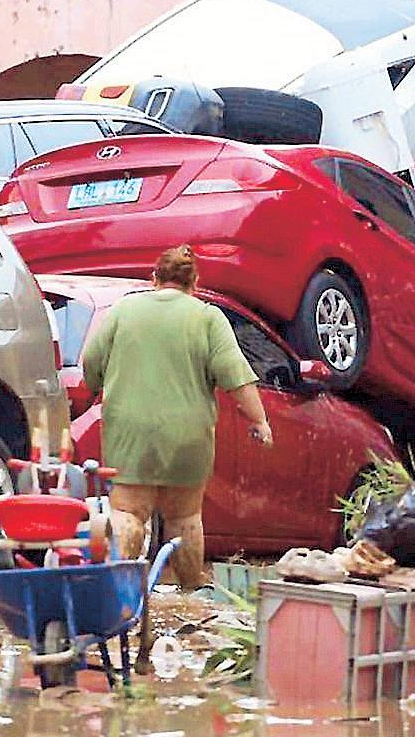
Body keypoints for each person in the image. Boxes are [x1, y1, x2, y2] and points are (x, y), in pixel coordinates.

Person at [80, 245, 272, 588]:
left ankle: (118, 592)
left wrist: (96, 386)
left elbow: (91, 364)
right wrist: (259, 420)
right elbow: (235, 374)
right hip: (188, 437)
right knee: (185, 517)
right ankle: (190, 591)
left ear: (154, 279)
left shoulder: (124, 310)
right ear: (194, 282)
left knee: (128, 513)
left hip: (130, 434)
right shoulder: (208, 317)